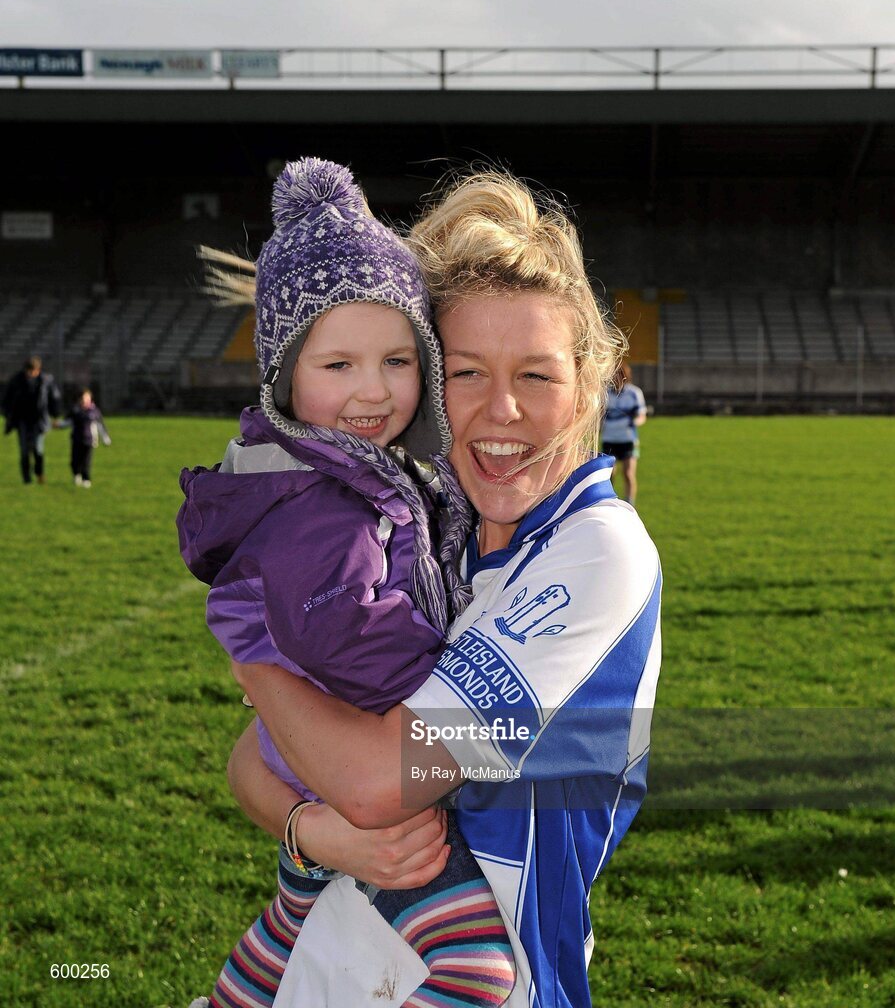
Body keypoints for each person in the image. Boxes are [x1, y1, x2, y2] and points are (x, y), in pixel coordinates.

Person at [225, 170, 663, 1008]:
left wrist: (251, 648)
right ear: (427, 381)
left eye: (535, 376)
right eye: (465, 374)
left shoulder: (596, 556)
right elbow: (252, 758)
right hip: (315, 976)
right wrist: (311, 831)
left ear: (587, 382)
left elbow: (374, 780)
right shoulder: (427, 538)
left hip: (467, 986)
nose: (500, 411)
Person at [177, 158, 516, 1008]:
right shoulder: (316, 504)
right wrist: (452, 676)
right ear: (285, 373)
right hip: (342, 757)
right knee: (475, 973)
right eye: (338, 366)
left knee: (292, 923)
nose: (374, 391)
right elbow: (350, 640)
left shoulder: (358, 472)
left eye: (398, 360)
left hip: (302, 753)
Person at [2, 355, 61, 484]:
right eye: (29, 371)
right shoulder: (17, 381)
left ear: (38, 370)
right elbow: (7, 399)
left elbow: (53, 399)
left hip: (39, 421)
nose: (31, 374)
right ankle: (26, 479)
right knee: (24, 451)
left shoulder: (46, 381)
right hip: (22, 420)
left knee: (37, 449)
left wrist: (55, 416)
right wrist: (8, 415)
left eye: (34, 371)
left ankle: (39, 473)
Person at [601, 362, 647, 506]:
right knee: (610, 474)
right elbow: (599, 414)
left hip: (627, 439)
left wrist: (635, 422)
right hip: (609, 438)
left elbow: (642, 415)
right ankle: (609, 502)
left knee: (628, 473)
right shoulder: (605, 393)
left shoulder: (634, 393)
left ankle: (630, 504)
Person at [63, 387, 111, 488]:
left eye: (87, 397)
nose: (85, 400)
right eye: (83, 398)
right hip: (76, 439)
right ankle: (76, 475)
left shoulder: (94, 411)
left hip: (89, 440)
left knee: (86, 461)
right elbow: (67, 422)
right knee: (74, 460)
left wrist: (105, 438)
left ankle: (86, 479)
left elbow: (100, 425)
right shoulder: (75, 411)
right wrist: (58, 425)